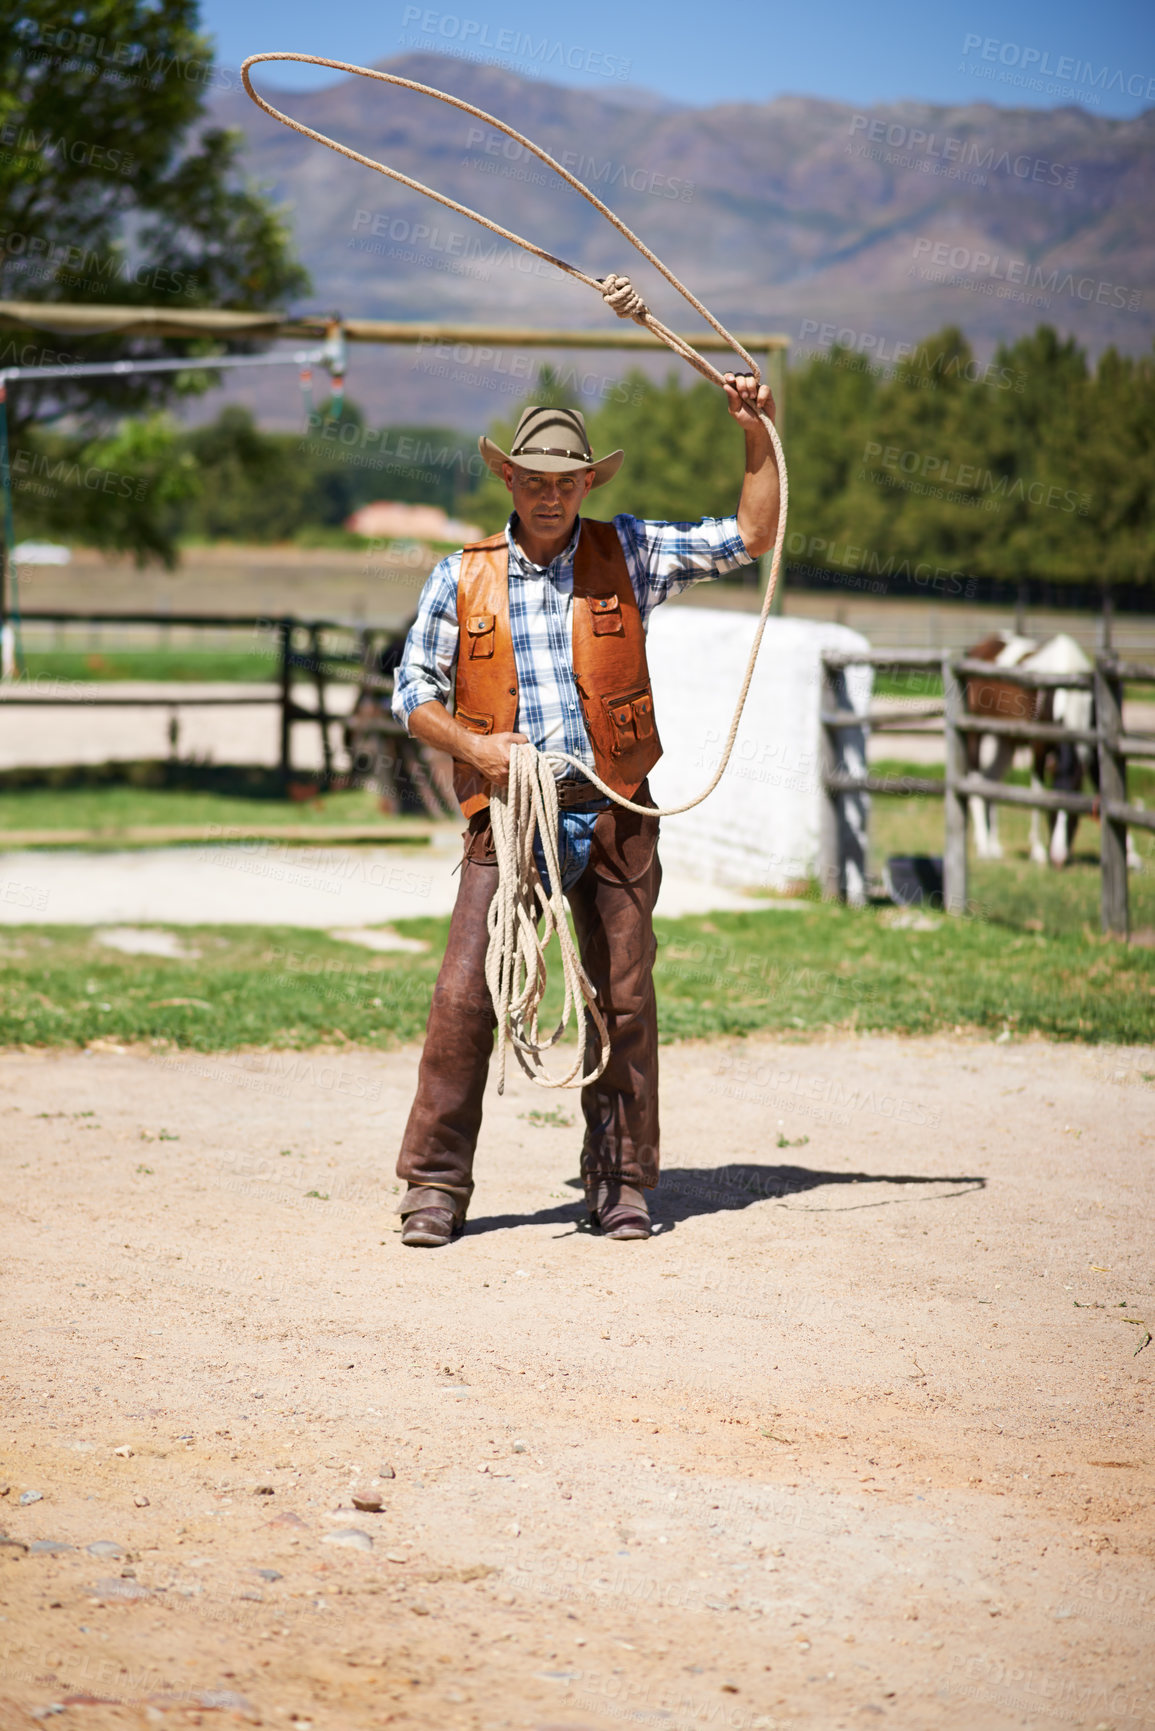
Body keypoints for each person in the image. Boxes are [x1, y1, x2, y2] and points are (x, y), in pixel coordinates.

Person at [390, 376, 779, 1246]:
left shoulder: (630, 551)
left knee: (625, 997)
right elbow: (412, 693)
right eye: (534, 476)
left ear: (587, 484)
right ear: (509, 481)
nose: (550, 491)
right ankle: (434, 1186)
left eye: (566, 478)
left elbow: (751, 535)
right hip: (509, 809)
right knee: (463, 994)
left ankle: (620, 1184)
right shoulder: (462, 575)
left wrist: (755, 434)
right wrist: (480, 750)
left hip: (613, 810)